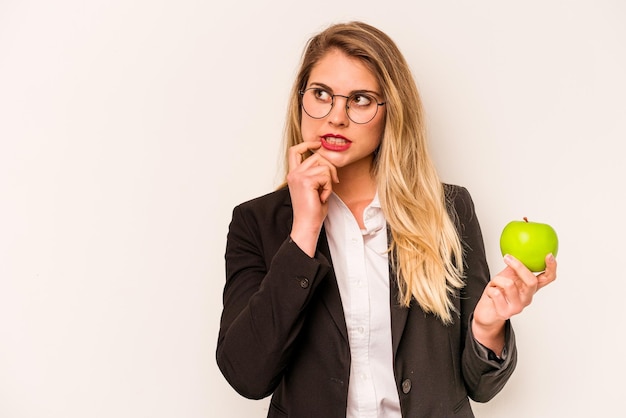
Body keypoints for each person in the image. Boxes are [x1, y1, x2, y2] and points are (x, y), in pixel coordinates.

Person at [216, 21, 557, 418]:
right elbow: (246, 375)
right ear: (300, 99)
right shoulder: (255, 222)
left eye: (360, 99)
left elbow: (480, 386)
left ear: (391, 111)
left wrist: (487, 326)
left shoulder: (449, 209)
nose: (336, 117)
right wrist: (304, 231)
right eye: (322, 94)